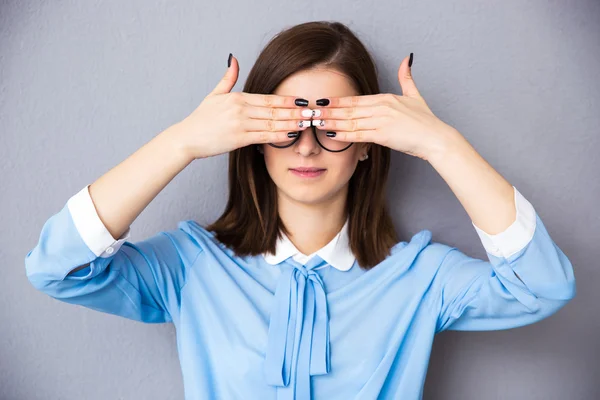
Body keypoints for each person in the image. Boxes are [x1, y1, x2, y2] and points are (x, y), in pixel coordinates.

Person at [24, 21, 576, 400]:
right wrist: (181, 143)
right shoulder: (191, 265)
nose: (307, 147)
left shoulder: (419, 278)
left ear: (367, 145)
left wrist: (442, 145)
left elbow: (541, 287)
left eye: (332, 127)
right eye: (286, 127)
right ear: (253, 137)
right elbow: (57, 268)